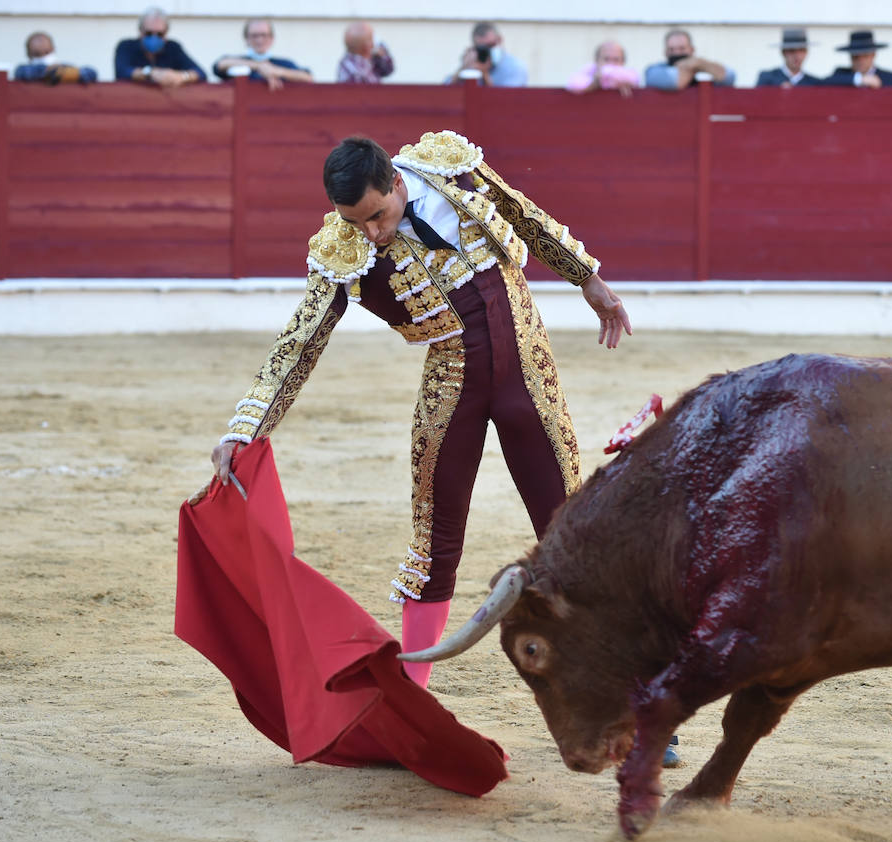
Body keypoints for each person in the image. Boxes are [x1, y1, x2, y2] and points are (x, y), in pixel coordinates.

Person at [203, 130, 631, 693]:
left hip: (529, 367)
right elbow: (301, 341)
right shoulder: (343, 248)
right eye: (355, 223)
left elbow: (524, 215)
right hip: (452, 384)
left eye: (377, 215)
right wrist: (245, 428)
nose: (371, 233)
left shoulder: (452, 170)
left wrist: (587, 278)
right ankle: (413, 699)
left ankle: (631, 693)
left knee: (571, 530)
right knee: (434, 541)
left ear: (397, 182)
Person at [114, 6, 206, 87]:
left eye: (160, 34)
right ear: (140, 31)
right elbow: (121, 71)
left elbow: (201, 73)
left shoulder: (173, 48)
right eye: (149, 33)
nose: (154, 38)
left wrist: (181, 76)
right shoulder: (126, 46)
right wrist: (150, 73)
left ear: (166, 33)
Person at [213, 18, 312, 90]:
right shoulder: (239, 62)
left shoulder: (283, 64)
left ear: (271, 39)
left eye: (264, 35)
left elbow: (307, 77)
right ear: (246, 39)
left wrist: (276, 72)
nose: (259, 40)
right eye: (254, 36)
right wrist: (260, 66)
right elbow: (220, 64)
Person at [645, 29, 735, 90]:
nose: (677, 53)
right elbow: (674, 82)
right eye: (671, 49)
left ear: (692, 50)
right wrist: (691, 66)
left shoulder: (699, 65)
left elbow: (730, 77)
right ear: (665, 52)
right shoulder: (654, 70)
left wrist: (700, 63)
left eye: (682, 48)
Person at [448, 22, 527, 87]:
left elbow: (504, 100)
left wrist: (484, 73)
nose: (486, 51)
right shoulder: (472, 66)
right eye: (481, 48)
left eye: (490, 45)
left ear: (499, 40)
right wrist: (462, 69)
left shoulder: (515, 67)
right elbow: (445, 93)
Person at [819, 30, 892, 88]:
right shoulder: (840, 74)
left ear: (873, 55)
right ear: (850, 56)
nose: (860, 61)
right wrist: (859, 79)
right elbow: (823, 83)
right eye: (855, 57)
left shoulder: (890, 78)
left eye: (865, 56)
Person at [14, 30, 97, 84]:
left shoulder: (64, 67)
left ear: (53, 49)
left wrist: (57, 72)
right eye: (37, 54)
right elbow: (25, 73)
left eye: (47, 52)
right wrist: (53, 71)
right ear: (29, 55)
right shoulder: (22, 70)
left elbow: (91, 73)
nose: (43, 56)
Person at [566, 40, 641, 96]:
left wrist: (606, 73)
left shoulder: (628, 74)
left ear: (623, 62)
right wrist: (595, 82)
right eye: (606, 59)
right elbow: (574, 84)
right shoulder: (590, 70)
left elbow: (634, 78)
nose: (611, 64)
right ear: (597, 60)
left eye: (616, 59)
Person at [756, 27, 824, 88]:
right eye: (792, 51)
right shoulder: (768, 79)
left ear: (806, 53)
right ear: (783, 52)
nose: (797, 56)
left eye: (801, 50)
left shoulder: (814, 83)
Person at [336, 20, 394, 85]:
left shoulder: (348, 61)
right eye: (372, 38)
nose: (375, 43)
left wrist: (381, 56)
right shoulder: (358, 71)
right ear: (367, 46)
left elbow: (388, 70)